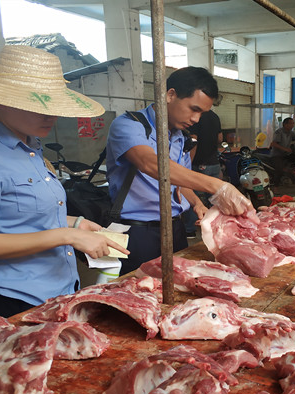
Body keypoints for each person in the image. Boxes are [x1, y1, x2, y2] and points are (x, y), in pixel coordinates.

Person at [0, 45, 128, 318]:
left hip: (59, 289)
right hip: (14, 300)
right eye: (38, 104)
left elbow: (20, 216)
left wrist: (74, 223)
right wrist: (68, 236)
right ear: (2, 100)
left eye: (53, 105)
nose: (50, 115)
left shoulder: (30, 149)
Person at [106, 66, 253, 275]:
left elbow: (178, 180)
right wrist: (218, 186)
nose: (196, 119)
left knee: (180, 286)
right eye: (194, 109)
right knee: (139, 288)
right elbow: (150, 163)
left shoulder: (179, 136)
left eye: (201, 113)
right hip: (137, 232)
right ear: (170, 95)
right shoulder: (129, 125)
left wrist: (197, 203)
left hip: (175, 228)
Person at [183, 109, 223, 237]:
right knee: (215, 199)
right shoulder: (215, 116)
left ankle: (190, 229)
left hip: (199, 164)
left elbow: (193, 142)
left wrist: (187, 166)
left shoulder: (195, 117)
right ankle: (219, 229)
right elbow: (220, 138)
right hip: (214, 163)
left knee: (192, 196)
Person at [268, 117, 295, 183]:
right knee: (279, 169)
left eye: (293, 123)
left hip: (286, 154)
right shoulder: (279, 132)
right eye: (291, 123)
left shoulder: (290, 133)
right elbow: (273, 144)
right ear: (285, 124)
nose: (293, 125)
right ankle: (276, 186)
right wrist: (285, 149)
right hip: (277, 155)